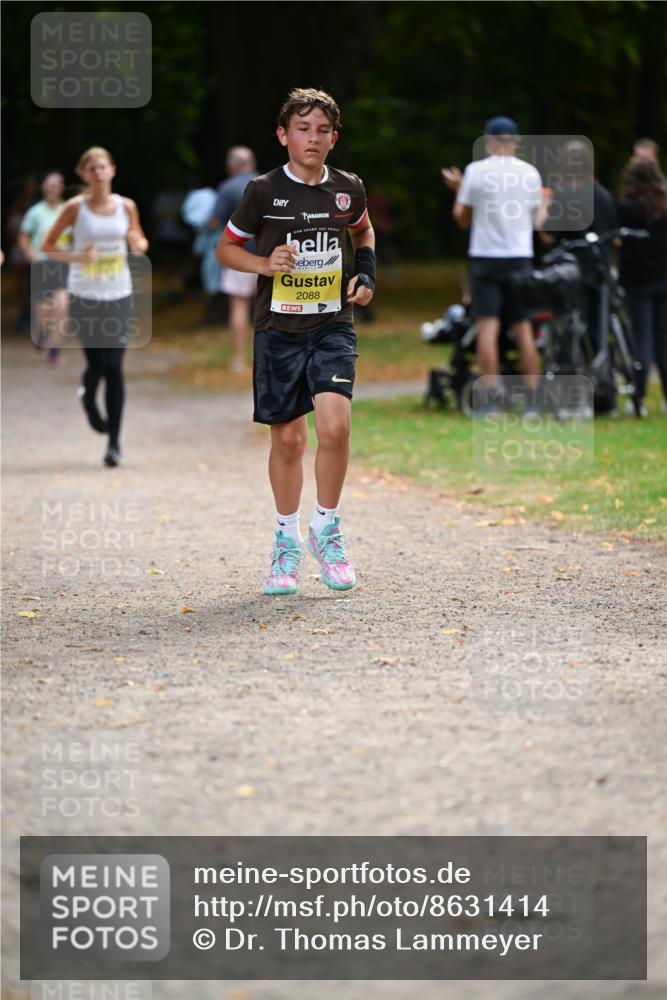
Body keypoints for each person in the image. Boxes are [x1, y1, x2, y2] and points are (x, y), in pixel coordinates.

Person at [217, 87, 375, 596]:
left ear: (334, 138)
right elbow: (226, 248)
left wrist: (366, 276)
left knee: (335, 425)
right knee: (287, 438)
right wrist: (264, 264)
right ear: (284, 135)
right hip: (278, 329)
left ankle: (326, 529)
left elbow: (363, 233)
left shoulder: (348, 188)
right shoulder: (262, 191)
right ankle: (285, 541)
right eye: (302, 129)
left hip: (333, 324)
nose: (313, 138)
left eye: (322, 130)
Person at [42, 146, 148, 467]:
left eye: (102, 167)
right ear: (84, 174)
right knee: (97, 365)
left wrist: (136, 244)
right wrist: (77, 256)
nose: (98, 173)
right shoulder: (75, 208)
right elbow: (48, 246)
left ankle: (114, 443)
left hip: (118, 293)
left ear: (112, 170)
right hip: (85, 295)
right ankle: (88, 399)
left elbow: (141, 243)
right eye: (91, 169)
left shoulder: (126, 206)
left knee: (114, 366)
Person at [443, 116, 545, 409]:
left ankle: (491, 396)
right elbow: (538, 219)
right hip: (520, 257)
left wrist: (458, 192)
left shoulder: (475, 172)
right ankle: (533, 398)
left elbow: (462, 219)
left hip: (486, 257)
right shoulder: (530, 173)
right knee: (523, 327)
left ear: (488, 141)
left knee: (488, 327)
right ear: (515, 142)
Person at [618, 156, 667, 413]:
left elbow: (617, 242)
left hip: (637, 282)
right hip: (662, 279)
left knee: (641, 339)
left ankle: (639, 396)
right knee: (663, 339)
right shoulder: (664, 207)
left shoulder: (627, 210)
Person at [210, 147, 259, 372]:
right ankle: (270, 357)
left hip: (239, 255)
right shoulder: (268, 182)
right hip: (271, 254)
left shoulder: (227, 188)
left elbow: (214, 222)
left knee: (239, 305)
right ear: (251, 162)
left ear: (232, 166)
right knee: (271, 307)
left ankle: (239, 358)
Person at [18, 171, 70, 365]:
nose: (52, 188)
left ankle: (55, 349)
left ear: (61, 187)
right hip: (41, 262)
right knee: (43, 310)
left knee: (62, 303)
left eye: (56, 184)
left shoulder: (69, 210)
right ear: (43, 187)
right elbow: (23, 236)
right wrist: (29, 252)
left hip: (63, 262)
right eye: (49, 184)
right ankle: (40, 332)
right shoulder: (35, 212)